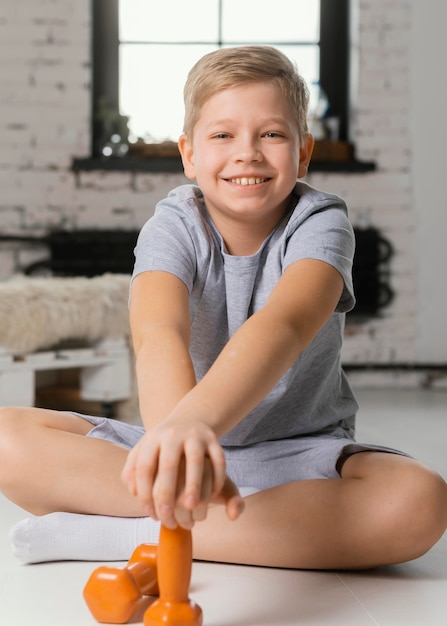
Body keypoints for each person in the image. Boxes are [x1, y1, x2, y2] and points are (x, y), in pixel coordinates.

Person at [1, 46, 446, 569]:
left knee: (418, 503)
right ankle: (210, 515)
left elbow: (282, 326)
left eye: (272, 135)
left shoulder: (322, 222)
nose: (248, 153)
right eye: (223, 135)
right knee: (7, 439)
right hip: (177, 437)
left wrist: (198, 425)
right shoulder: (173, 225)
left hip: (295, 457)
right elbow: (158, 332)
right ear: (189, 154)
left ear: (303, 153)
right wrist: (175, 443)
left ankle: (122, 536)